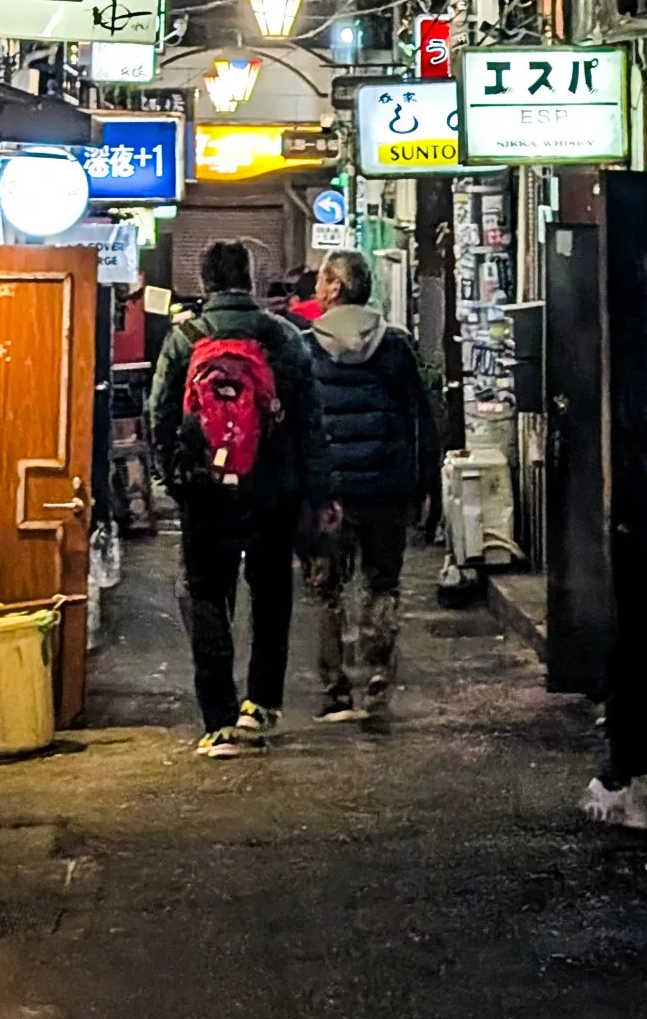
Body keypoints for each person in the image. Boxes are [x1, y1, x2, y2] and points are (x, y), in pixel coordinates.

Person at [149, 238, 333, 757]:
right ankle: (262, 705)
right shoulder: (284, 337)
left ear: (205, 282)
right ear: (250, 279)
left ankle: (218, 722)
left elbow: (159, 414)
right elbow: (311, 424)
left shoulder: (185, 338)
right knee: (271, 590)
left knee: (208, 593)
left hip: (205, 492)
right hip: (274, 489)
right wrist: (318, 492)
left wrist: (175, 480)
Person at [300, 248, 439, 731]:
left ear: (335, 288)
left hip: (330, 495)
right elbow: (420, 421)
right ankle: (378, 672)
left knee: (325, 590)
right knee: (383, 583)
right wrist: (424, 487)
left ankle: (336, 689)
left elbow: (301, 428)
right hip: (386, 488)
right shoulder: (395, 345)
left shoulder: (307, 347)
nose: (316, 288)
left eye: (321, 280)